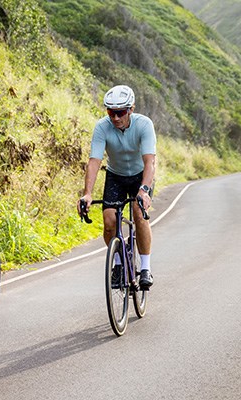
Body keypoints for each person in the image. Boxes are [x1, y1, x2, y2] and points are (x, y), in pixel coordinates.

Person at [78, 85, 157, 288]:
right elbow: (94, 161)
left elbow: (150, 161)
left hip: (141, 176)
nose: (115, 118)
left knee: (139, 214)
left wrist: (144, 191)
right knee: (109, 221)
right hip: (116, 175)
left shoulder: (144, 125)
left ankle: (146, 268)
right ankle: (119, 264)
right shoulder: (102, 127)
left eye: (120, 112)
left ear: (131, 109)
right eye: (110, 112)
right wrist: (87, 194)